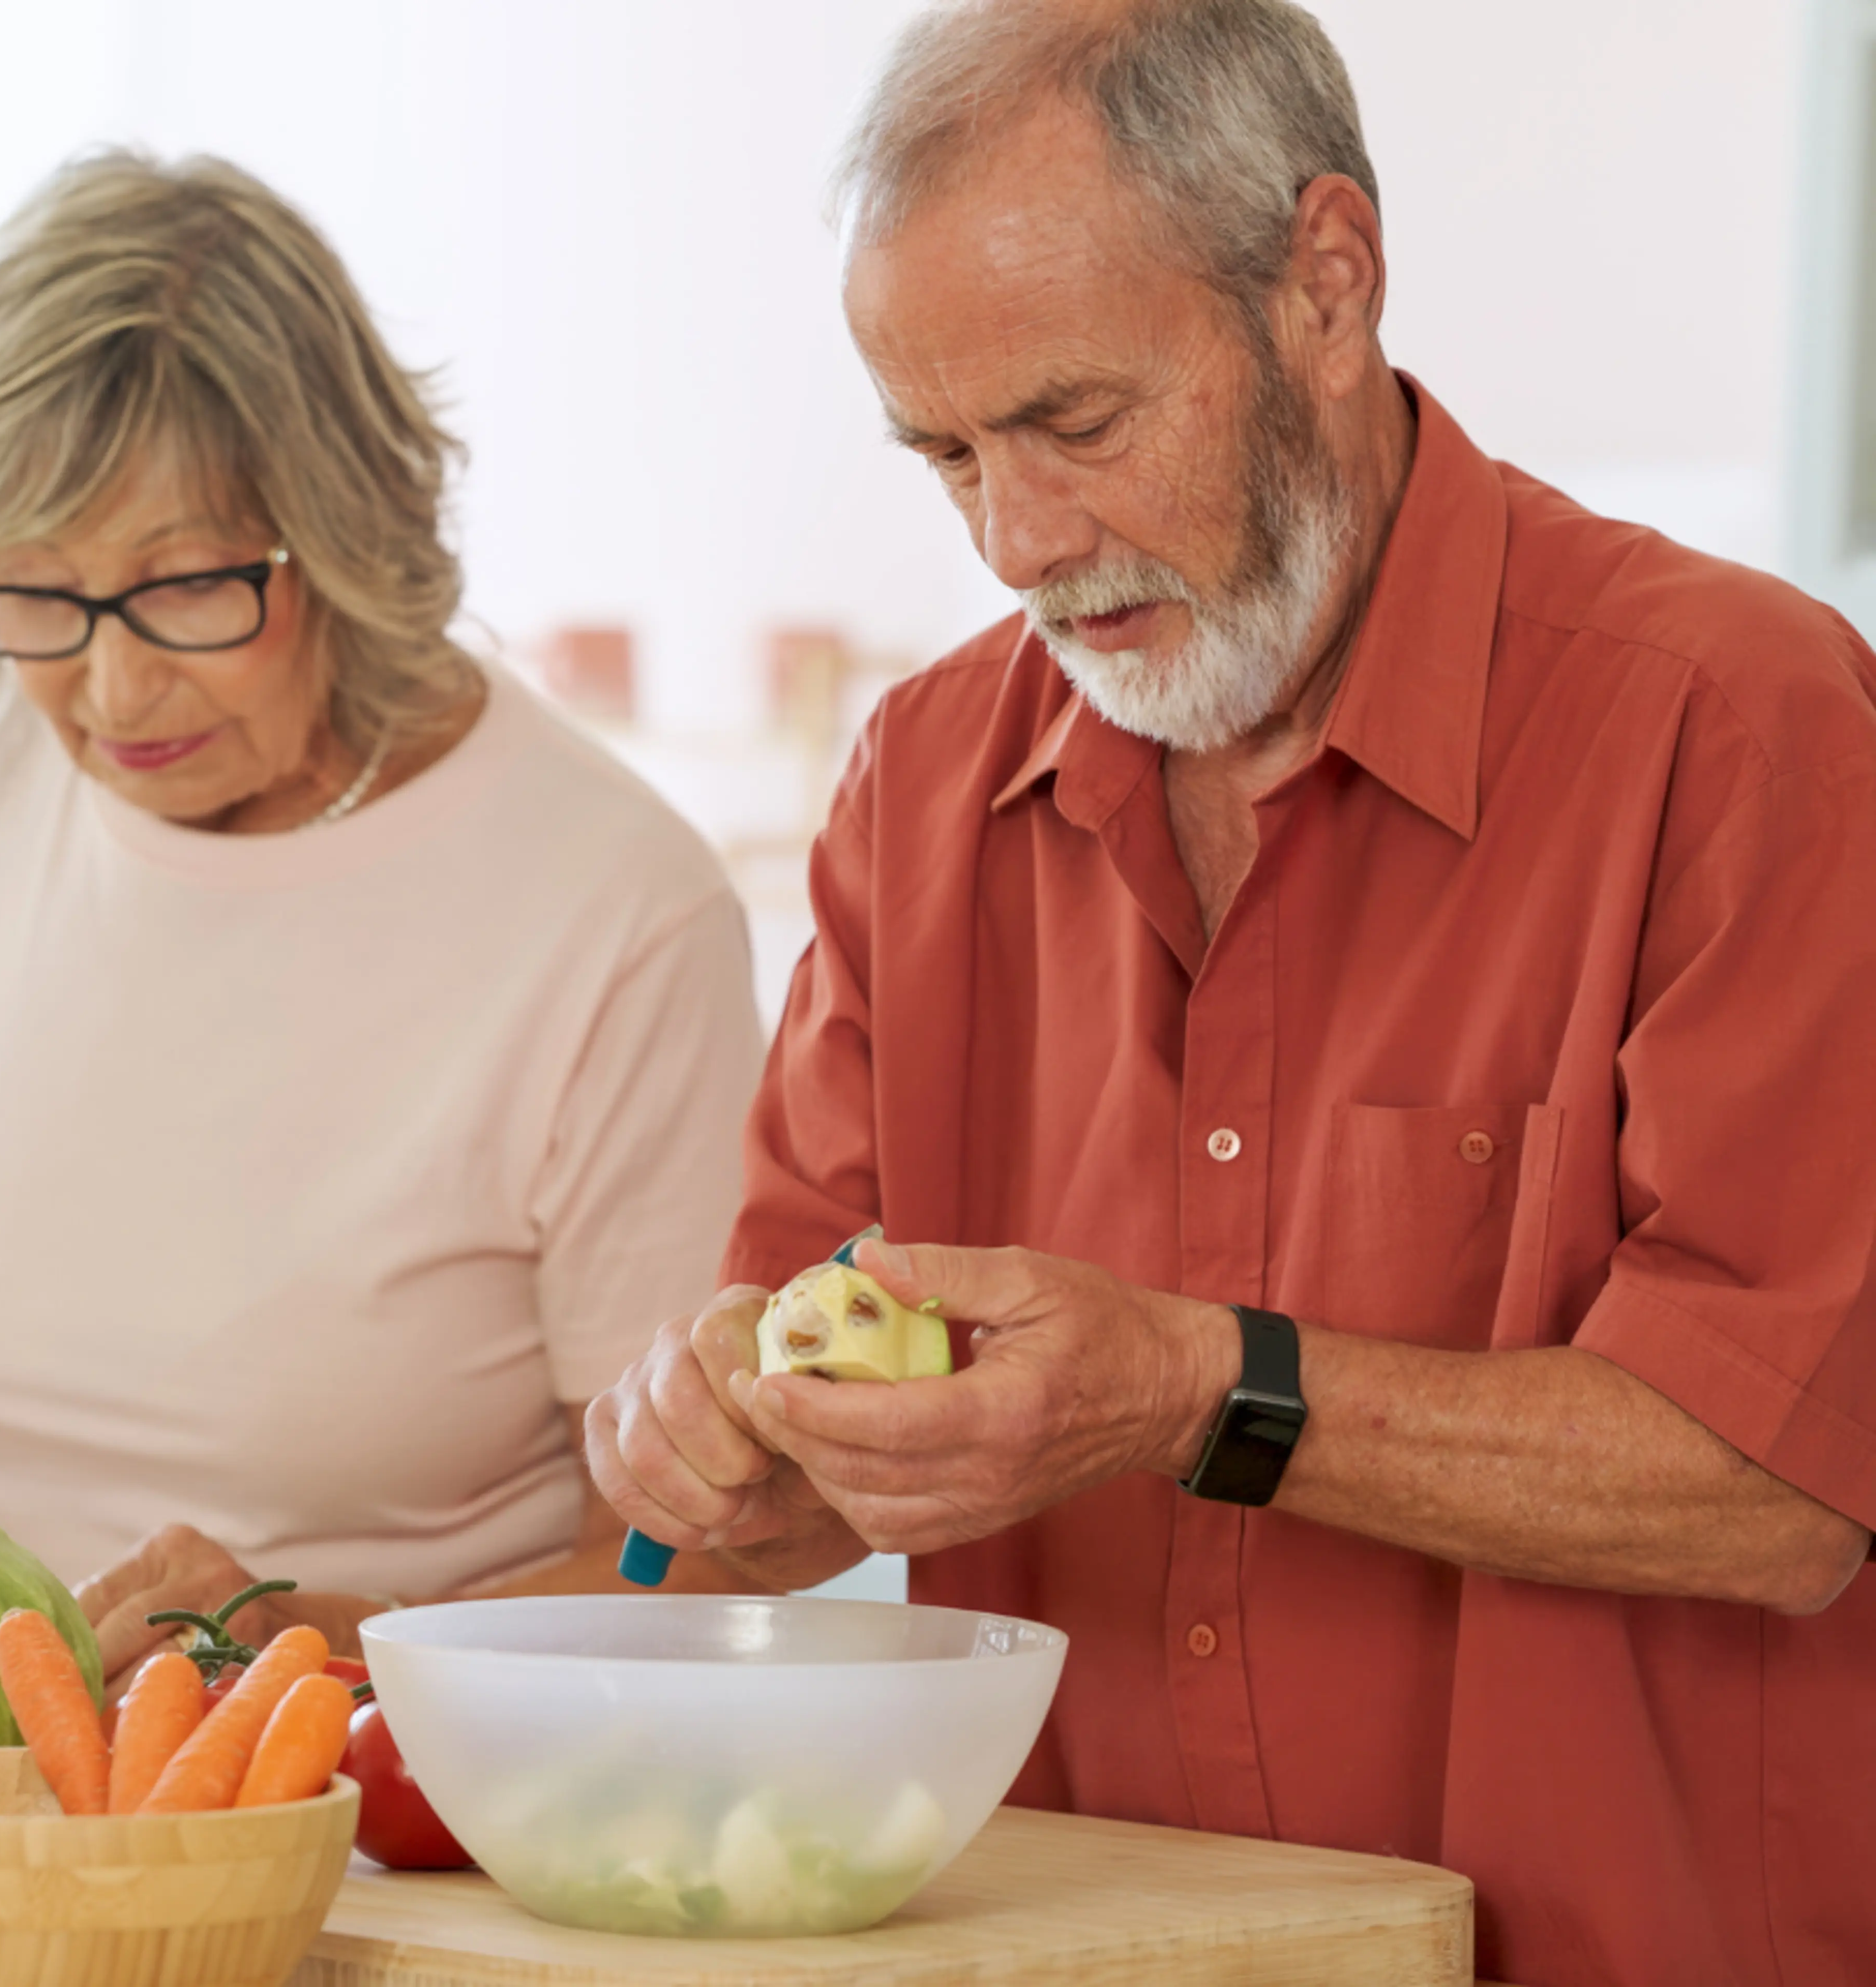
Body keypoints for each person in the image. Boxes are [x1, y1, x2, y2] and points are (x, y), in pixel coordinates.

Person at [586, 4, 1876, 1982]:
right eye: (947, 456)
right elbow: (794, 1477)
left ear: (1327, 286)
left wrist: (1203, 1387)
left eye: (1079, 424)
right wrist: (710, 1443)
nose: (1019, 541)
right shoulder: (920, 788)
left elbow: (1785, 1484)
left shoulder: (1744, 728)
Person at [0, 151, 764, 1696]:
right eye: (35, 593)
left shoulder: (615, 914)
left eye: (183, 591)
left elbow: (694, 1558)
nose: (112, 692)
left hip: (347, 1805)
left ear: (345, 537)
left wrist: (326, 1652)